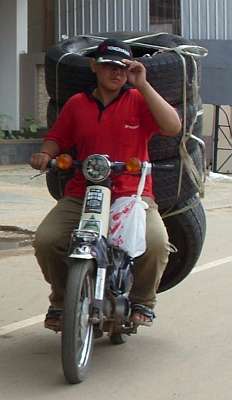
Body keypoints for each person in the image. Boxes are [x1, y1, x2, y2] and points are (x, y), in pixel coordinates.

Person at [30, 38, 181, 331]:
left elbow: (172, 126)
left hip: (132, 195)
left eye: (122, 67)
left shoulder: (139, 100)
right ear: (94, 67)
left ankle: (142, 302)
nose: (116, 73)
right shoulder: (77, 104)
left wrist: (144, 85)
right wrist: (45, 154)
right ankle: (62, 301)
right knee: (46, 240)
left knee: (157, 243)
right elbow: (57, 138)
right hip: (83, 194)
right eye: (109, 65)